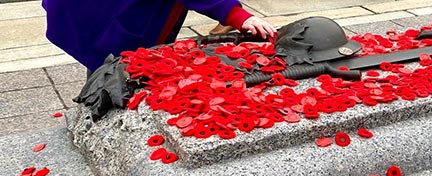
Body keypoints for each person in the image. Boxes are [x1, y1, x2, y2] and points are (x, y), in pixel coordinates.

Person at [42, 0, 276, 72]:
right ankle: (100, 119)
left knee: (106, 65)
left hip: (91, 11)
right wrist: (238, 16)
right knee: (111, 69)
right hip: (99, 13)